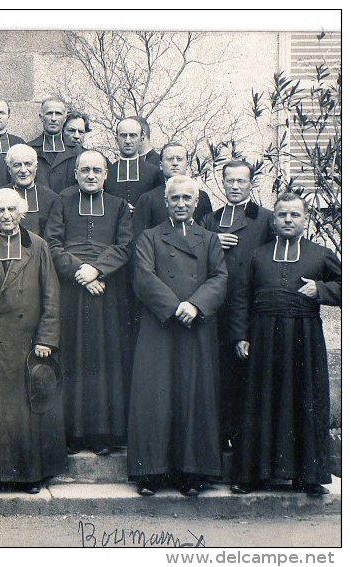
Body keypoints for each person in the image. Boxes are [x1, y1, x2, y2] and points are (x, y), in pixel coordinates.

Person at [229, 193, 340, 496]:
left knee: (304, 399)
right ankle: (252, 475)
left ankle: (308, 476)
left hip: (304, 337)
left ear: (306, 220)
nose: (288, 220)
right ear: (273, 220)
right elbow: (241, 297)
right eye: (282, 215)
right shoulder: (257, 254)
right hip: (262, 336)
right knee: (259, 400)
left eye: (294, 215)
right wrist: (240, 335)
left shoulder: (320, 254)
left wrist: (322, 289)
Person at [127, 175, 227, 496]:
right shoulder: (149, 237)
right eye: (175, 199)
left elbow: (220, 277)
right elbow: (143, 277)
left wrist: (196, 305)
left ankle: (192, 472)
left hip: (196, 326)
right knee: (155, 395)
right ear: (166, 202)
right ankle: (151, 472)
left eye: (187, 199)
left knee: (194, 395)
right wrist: (174, 306)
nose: (181, 204)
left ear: (196, 203)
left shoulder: (210, 239)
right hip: (161, 325)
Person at [0, 188, 63, 493]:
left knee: (27, 410)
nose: (6, 216)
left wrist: (46, 337)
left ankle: (29, 476)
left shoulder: (39, 246)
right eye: (0, 211)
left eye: (11, 210)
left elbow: (51, 295)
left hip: (28, 342)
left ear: (21, 213)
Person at [45, 150, 133, 456]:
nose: (91, 175)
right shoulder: (62, 203)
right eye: (85, 170)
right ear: (76, 174)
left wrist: (97, 270)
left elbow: (124, 246)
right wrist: (80, 272)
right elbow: (52, 244)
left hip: (107, 292)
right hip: (71, 290)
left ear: (107, 174)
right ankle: (71, 432)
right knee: (72, 358)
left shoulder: (120, 206)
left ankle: (101, 433)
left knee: (103, 362)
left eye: (97, 170)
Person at [201, 160, 274, 450]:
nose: (234, 186)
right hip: (216, 309)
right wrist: (211, 241)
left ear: (250, 184)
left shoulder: (265, 218)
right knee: (219, 376)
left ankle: (246, 444)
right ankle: (220, 439)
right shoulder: (211, 220)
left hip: (250, 310)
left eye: (240, 181)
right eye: (229, 180)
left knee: (247, 375)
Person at [132, 142, 213, 235]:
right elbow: (139, 237)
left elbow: (209, 234)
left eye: (179, 159)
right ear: (161, 165)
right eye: (170, 159)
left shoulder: (201, 197)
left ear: (187, 164)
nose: (175, 163)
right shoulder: (147, 199)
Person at [0, 144, 57, 237]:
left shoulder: (51, 198)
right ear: (9, 169)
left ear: (36, 167)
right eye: (17, 165)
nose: (23, 170)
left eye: (28, 164)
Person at [105, 117, 163, 211]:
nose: (128, 141)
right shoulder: (107, 173)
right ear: (116, 139)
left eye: (133, 136)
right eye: (123, 136)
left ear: (141, 139)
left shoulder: (154, 172)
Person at [28, 97, 82, 193]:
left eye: (58, 114)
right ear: (41, 117)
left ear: (65, 118)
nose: (53, 118)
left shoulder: (77, 151)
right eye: (49, 113)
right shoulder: (29, 149)